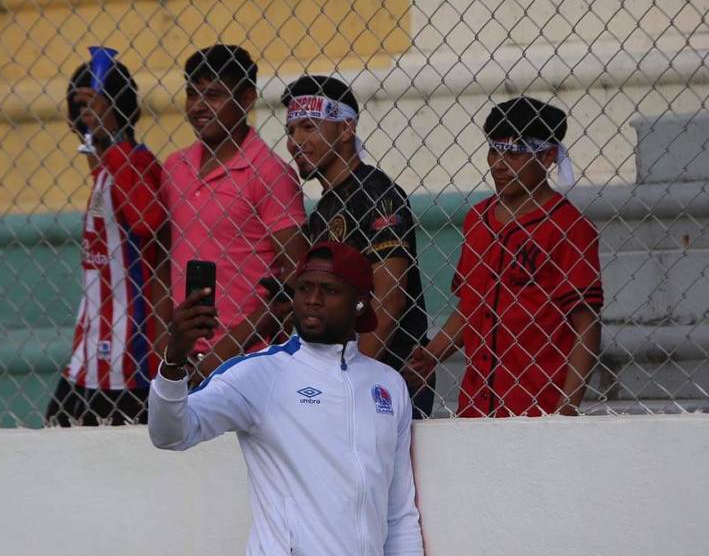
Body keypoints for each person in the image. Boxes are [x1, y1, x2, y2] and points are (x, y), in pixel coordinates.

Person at [149, 241, 440, 556]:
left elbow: (399, 514)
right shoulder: (262, 374)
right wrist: (174, 362)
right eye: (304, 288)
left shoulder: (388, 387)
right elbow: (170, 432)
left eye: (329, 290)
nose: (312, 300)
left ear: (362, 301)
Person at [407, 96, 603, 416]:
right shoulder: (477, 219)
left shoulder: (569, 227)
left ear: (548, 156)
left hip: (539, 408)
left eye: (514, 153)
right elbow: (471, 305)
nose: (499, 163)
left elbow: (586, 324)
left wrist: (567, 408)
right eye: (494, 151)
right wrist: (433, 354)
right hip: (475, 406)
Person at [281, 75, 434, 419]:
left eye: (309, 127)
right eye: (291, 131)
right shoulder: (323, 211)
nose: (296, 142)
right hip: (341, 378)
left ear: (347, 128)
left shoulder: (377, 193)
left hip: (388, 376)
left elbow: (390, 298)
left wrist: (348, 378)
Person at [160, 44, 307, 381]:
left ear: (245, 99)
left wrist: (228, 348)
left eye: (212, 95)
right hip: (182, 357)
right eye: (191, 94)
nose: (198, 106)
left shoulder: (270, 173)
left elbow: (297, 273)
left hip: (250, 359)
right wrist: (167, 343)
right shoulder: (173, 168)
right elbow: (161, 261)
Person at [46, 48, 169, 426]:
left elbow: (148, 221)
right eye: (78, 105)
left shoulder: (135, 162)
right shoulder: (104, 170)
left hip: (127, 359)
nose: (84, 114)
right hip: (89, 354)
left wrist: (114, 137)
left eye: (94, 104)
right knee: (57, 428)